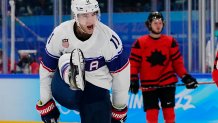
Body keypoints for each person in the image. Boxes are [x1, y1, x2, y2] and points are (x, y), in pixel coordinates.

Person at [35, 0, 130, 123]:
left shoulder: (108, 39)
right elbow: (47, 69)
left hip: (96, 92)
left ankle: (77, 74)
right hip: (65, 89)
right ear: (75, 16)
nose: (90, 20)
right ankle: (73, 75)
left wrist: (118, 109)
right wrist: (46, 103)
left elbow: (121, 76)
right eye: (85, 15)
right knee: (66, 59)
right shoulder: (60, 33)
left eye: (93, 13)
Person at [129, 11, 198, 123]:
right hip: (148, 85)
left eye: (160, 23)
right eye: (155, 23)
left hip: (168, 83)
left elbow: (178, 63)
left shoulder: (170, 41)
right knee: (152, 116)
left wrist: (186, 77)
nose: (158, 25)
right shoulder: (140, 42)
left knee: (169, 115)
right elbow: (134, 63)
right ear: (149, 25)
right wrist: (133, 79)